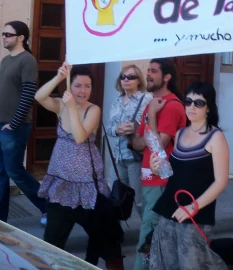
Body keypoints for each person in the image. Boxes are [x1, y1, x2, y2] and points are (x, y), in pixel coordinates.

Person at [35, 63, 124, 269]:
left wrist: (73, 108)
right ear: (70, 87)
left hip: (88, 188)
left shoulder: (94, 109)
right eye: (77, 85)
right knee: (52, 241)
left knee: (103, 235)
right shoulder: (60, 105)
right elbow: (39, 97)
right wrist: (58, 77)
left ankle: (97, 265)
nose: (83, 91)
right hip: (62, 186)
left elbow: (79, 136)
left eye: (87, 86)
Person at [149, 81, 230, 270]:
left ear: (209, 108)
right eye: (188, 101)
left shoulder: (216, 138)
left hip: (196, 215)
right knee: (167, 264)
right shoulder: (180, 134)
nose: (192, 106)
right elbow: (174, 174)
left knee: (192, 265)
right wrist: (157, 168)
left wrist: (193, 207)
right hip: (169, 210)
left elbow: (221, 182)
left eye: (199, 103)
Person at [0, 21, 48, 223]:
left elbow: (29, 94)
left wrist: (14, 123)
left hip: (14, 128)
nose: (4, 37)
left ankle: (47, 207)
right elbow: (1, 92)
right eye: (3, 33)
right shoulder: (6, 61)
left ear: (21, 37)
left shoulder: (27, 61)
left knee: (15, 171)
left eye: (8, 34)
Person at [131, 59, 187, 270]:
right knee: (153, 236)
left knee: (147, 235)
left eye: (154, 71)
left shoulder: (171, 106)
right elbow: (136, 143)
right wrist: (148, 131)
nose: (148, 74)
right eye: (148, 70)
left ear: (167, 77)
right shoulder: (150, 104)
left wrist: (152, 115)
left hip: (161, 180)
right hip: (148, 180)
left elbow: (158, 147)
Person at [104, 65, 152, 213]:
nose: (126, 80)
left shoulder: (146, 99)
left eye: (131, 77)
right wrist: (117, 130)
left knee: (140, 200)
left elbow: (152, 125)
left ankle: (149, 234)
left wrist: (136, 128)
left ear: (139, 80)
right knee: (116, 198)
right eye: (123, 77)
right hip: (118, 158)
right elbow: (109, 127)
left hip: (136, 157)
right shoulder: (116, 101)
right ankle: (115, 232)